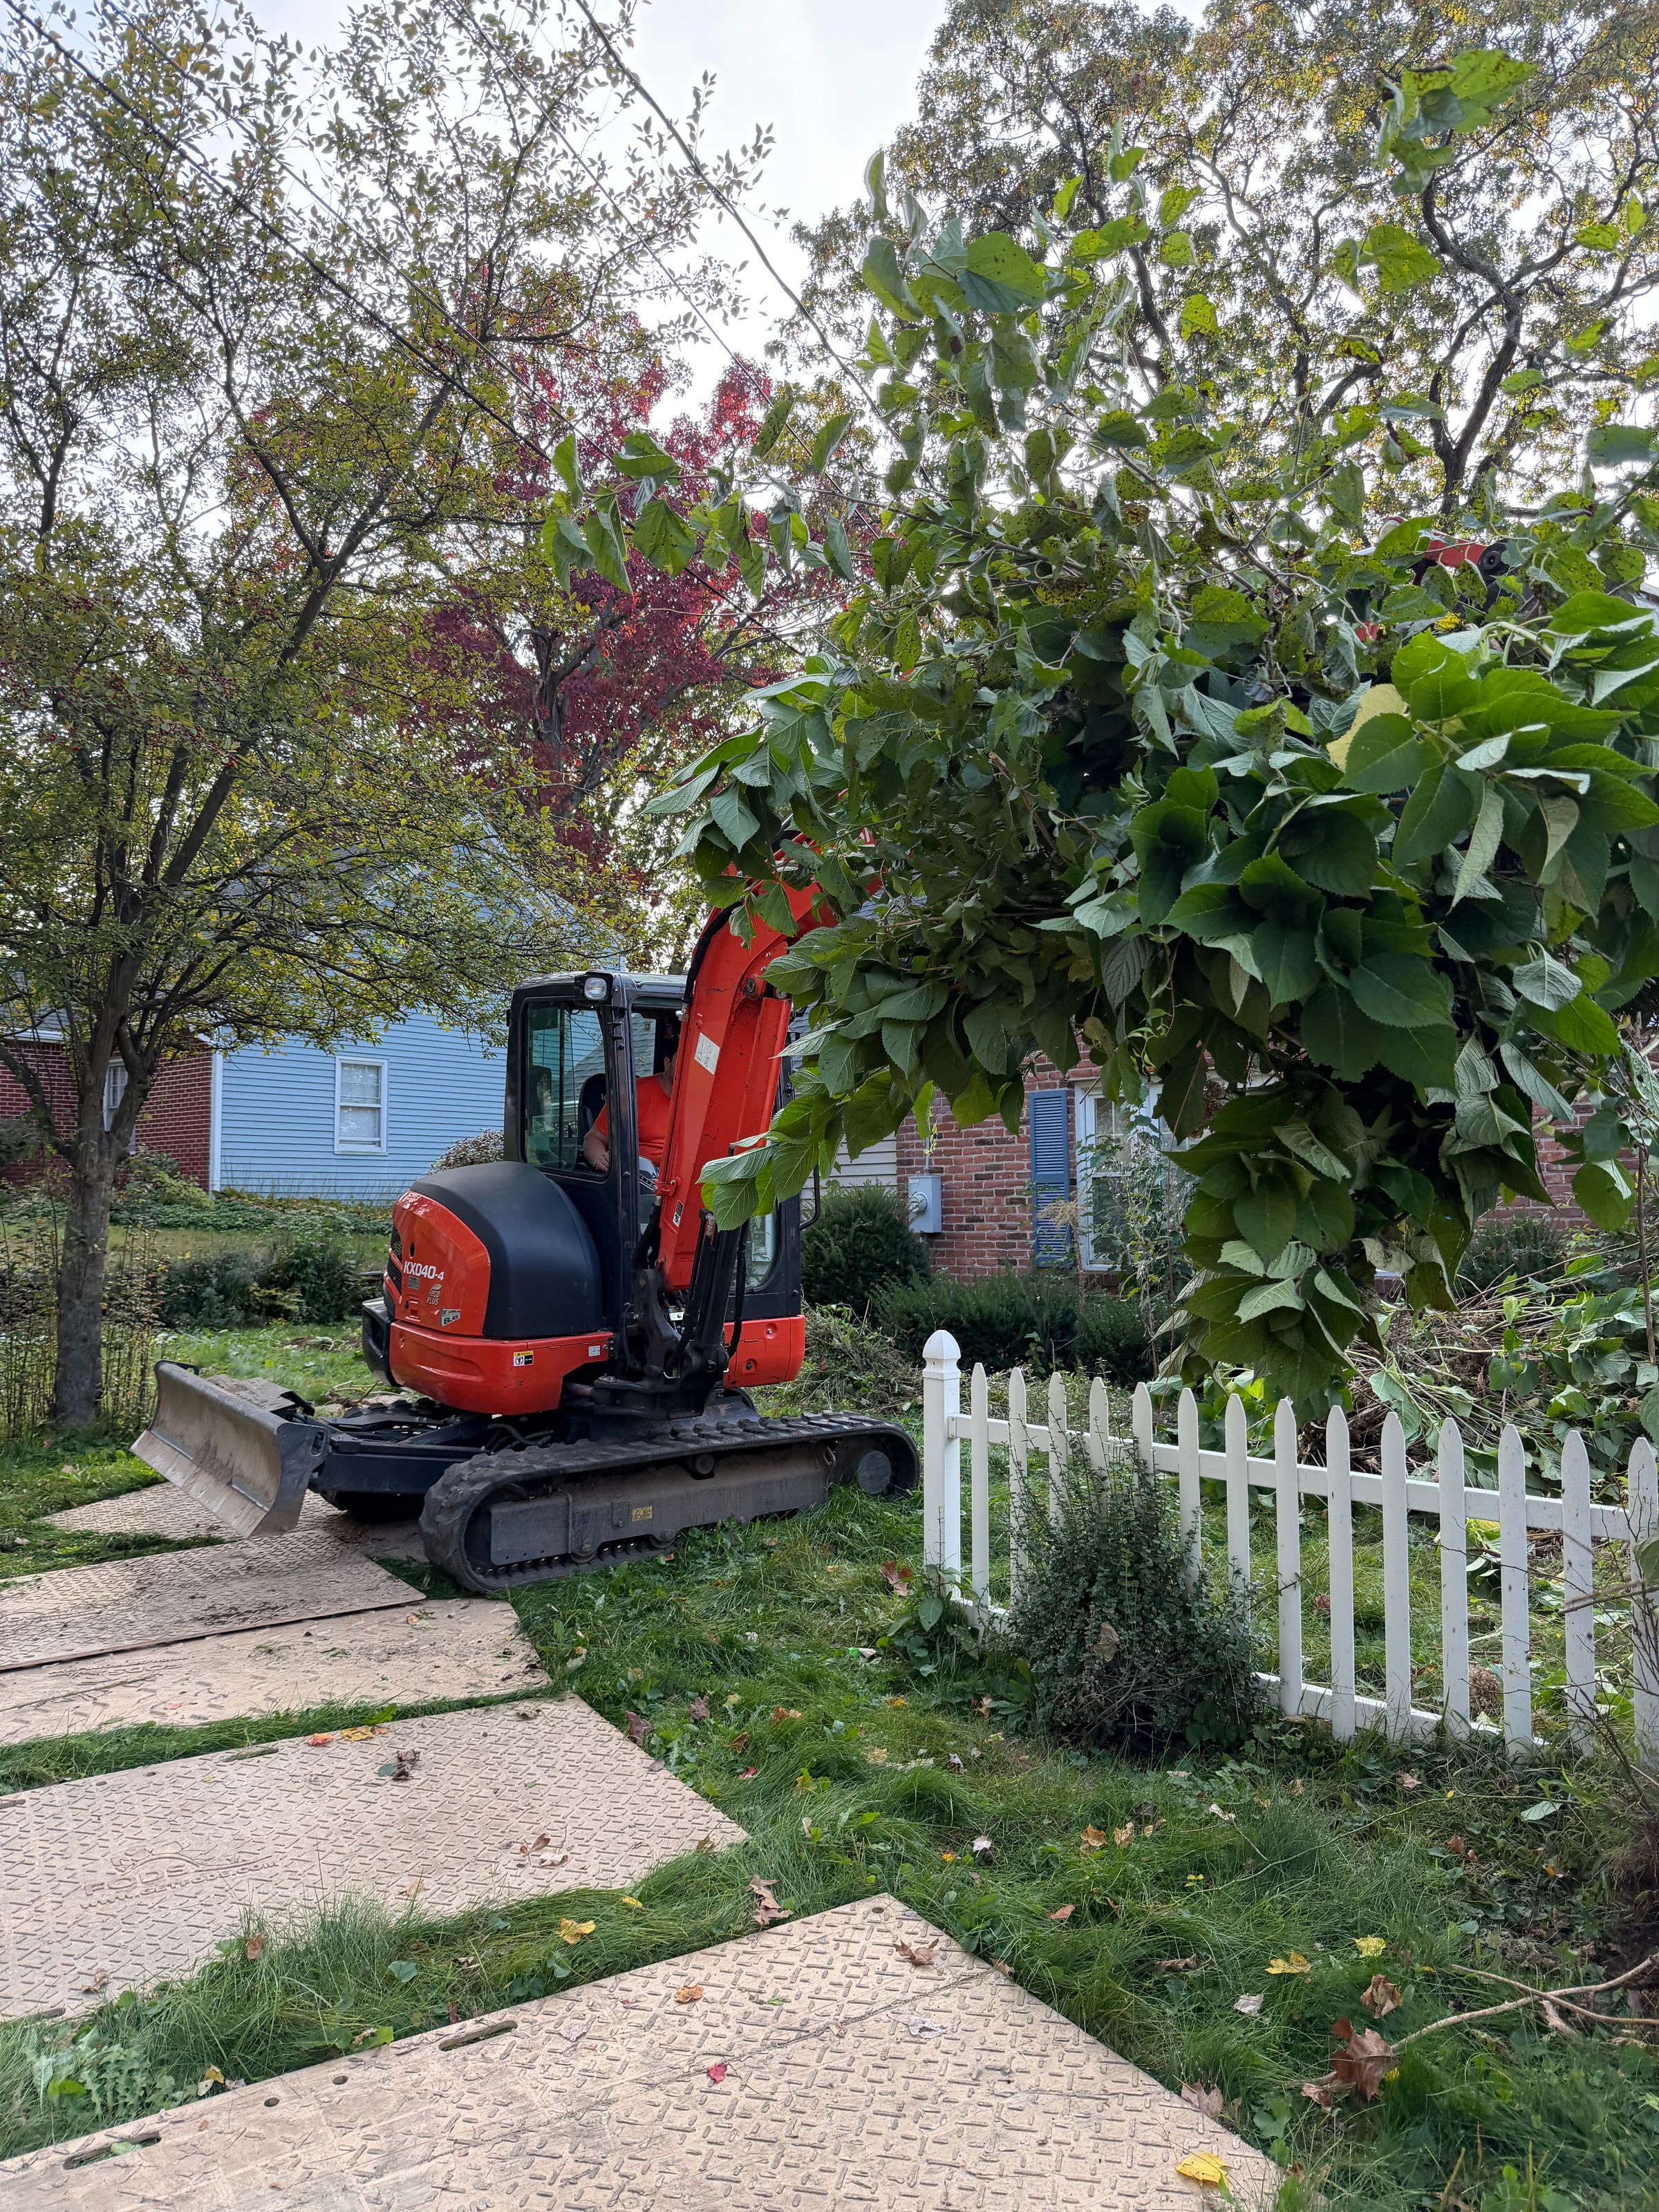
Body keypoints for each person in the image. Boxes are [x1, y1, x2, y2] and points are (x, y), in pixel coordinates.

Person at [582, 1018, 678, 1177]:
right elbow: (593, 1139)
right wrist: (600, 1160)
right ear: (667, 1064)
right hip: (638, 1178)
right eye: (680, 1059)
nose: (687, 1067)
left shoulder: (703, 1101)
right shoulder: (633, 1093)